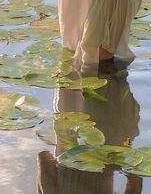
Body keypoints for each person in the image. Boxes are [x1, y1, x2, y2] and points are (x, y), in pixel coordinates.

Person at [37, 61, 142, 194]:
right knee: (76, 59)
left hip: (108, 138)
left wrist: (119, 162)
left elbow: (136, 180)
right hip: (71, 117)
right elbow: (43, 157)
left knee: (109, 66)